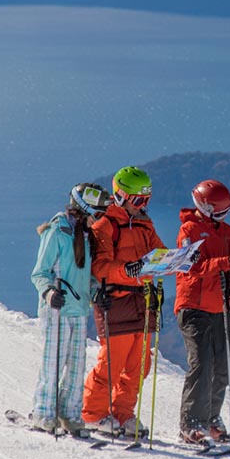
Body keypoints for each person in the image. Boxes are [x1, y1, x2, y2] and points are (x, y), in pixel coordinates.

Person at [81, 166, 166, 436]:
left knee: (139, 364)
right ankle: (93, 414)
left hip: (142, 300)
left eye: (147, 200)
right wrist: (125, 269)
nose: (143, 206)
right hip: (115, 300)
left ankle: (122, 413)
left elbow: (159, 253)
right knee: (112, 363)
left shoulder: (144, 224)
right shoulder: (105, 225)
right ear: (120, 195)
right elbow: (100, 267)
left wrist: (177, 260)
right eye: (138, 200)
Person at [30, 182, 112, 435]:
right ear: (85, 207)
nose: (100, 216)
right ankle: (44, 413)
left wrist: (97, 292)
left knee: (76, 367)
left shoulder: (86, 236)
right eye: (97, 212)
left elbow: (86, 276)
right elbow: (40, 273)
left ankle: (70, 413)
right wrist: (49, 292)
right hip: (56, 309)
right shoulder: (56, 232)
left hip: (78, 310)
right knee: (52, 365)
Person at [175, 179, 230, 443]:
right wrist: (227, 262)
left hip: (221, 305)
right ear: (205, 207)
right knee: (202, 364)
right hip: (194, 305)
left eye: (226, 212)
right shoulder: (189, 230)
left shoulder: (227, 232)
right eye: (219, 212)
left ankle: (211, 417)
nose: (224, 217)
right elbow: (192, 267)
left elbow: (223, 273)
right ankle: (191, 423)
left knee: (222, 367)